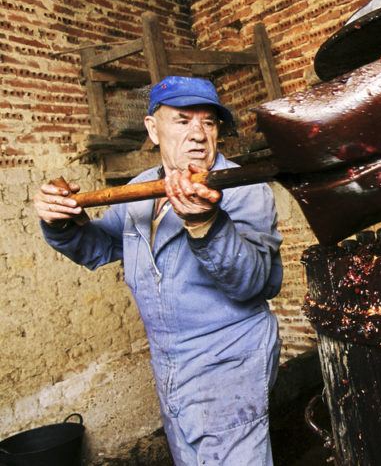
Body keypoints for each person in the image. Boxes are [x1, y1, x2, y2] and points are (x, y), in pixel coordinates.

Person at [34, 76, 283, 465]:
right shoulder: (139, 189)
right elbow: (97, 248)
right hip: (169, 361)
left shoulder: (243, 189)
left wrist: (207, 225)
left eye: (209, 122)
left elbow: (252, 283)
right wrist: (60, 223)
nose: (198, 135)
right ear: (153, 129)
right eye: (183, 121)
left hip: (229, 359)